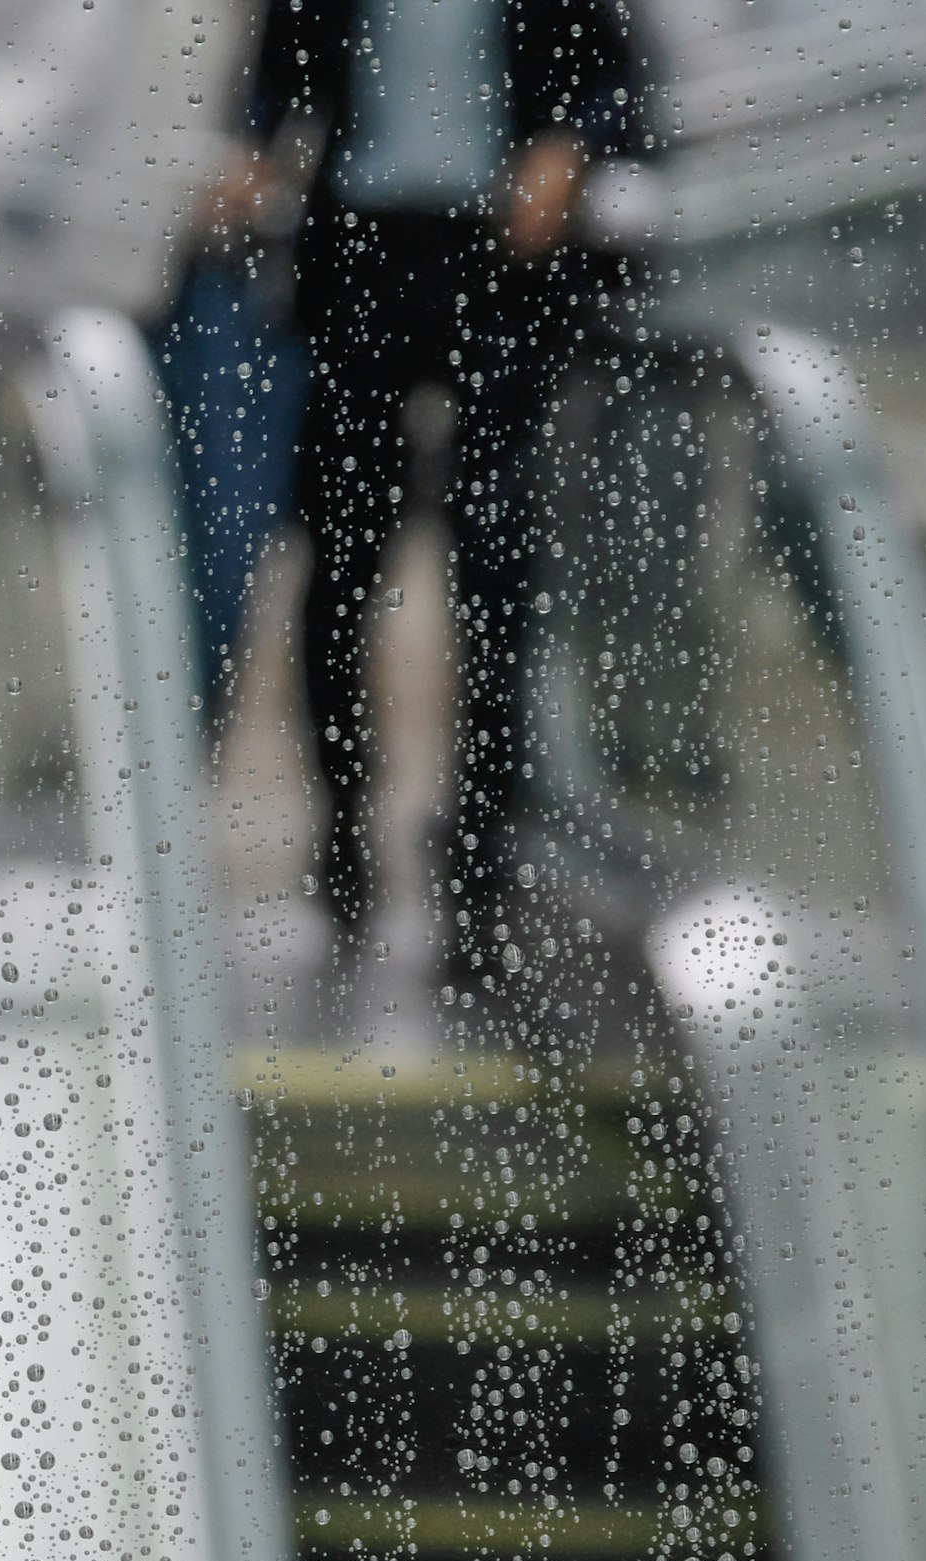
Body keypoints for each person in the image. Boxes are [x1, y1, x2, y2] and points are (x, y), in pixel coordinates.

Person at [233, 0, 644, 983]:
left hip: (501, 258)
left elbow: (619, 81)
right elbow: (275, 80)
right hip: (363, 254)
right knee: (343, 557)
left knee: (495, 566)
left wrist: (567, 148)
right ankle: (345, 821)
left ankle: (479, 844)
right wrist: (256, 159)